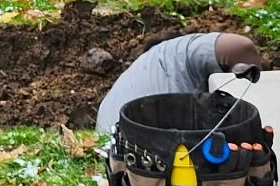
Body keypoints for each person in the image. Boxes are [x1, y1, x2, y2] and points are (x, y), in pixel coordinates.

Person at [95, 31, 260, 135]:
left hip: (120, 167)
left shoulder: (120, 88)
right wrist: (264, 85)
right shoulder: (175, 51)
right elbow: (240, 46)